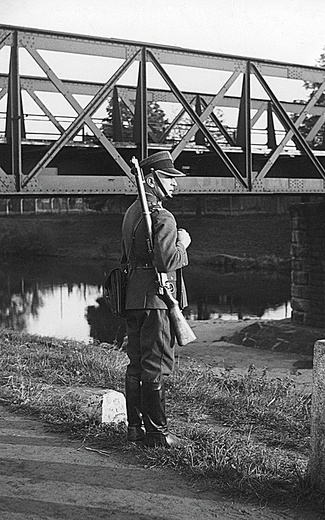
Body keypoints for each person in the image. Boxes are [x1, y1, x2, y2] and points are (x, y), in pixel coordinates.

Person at [120, 151, 192, 448]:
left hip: (134, 296)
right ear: (150, 180)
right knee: (156, 365)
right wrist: (183, 243)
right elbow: (167, 261)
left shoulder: (132, 213)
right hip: (157, 299)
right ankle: (158, 435)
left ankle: (135, 428)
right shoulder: (162, 216)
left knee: (136, 365)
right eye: (169, 178)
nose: (175, 184)